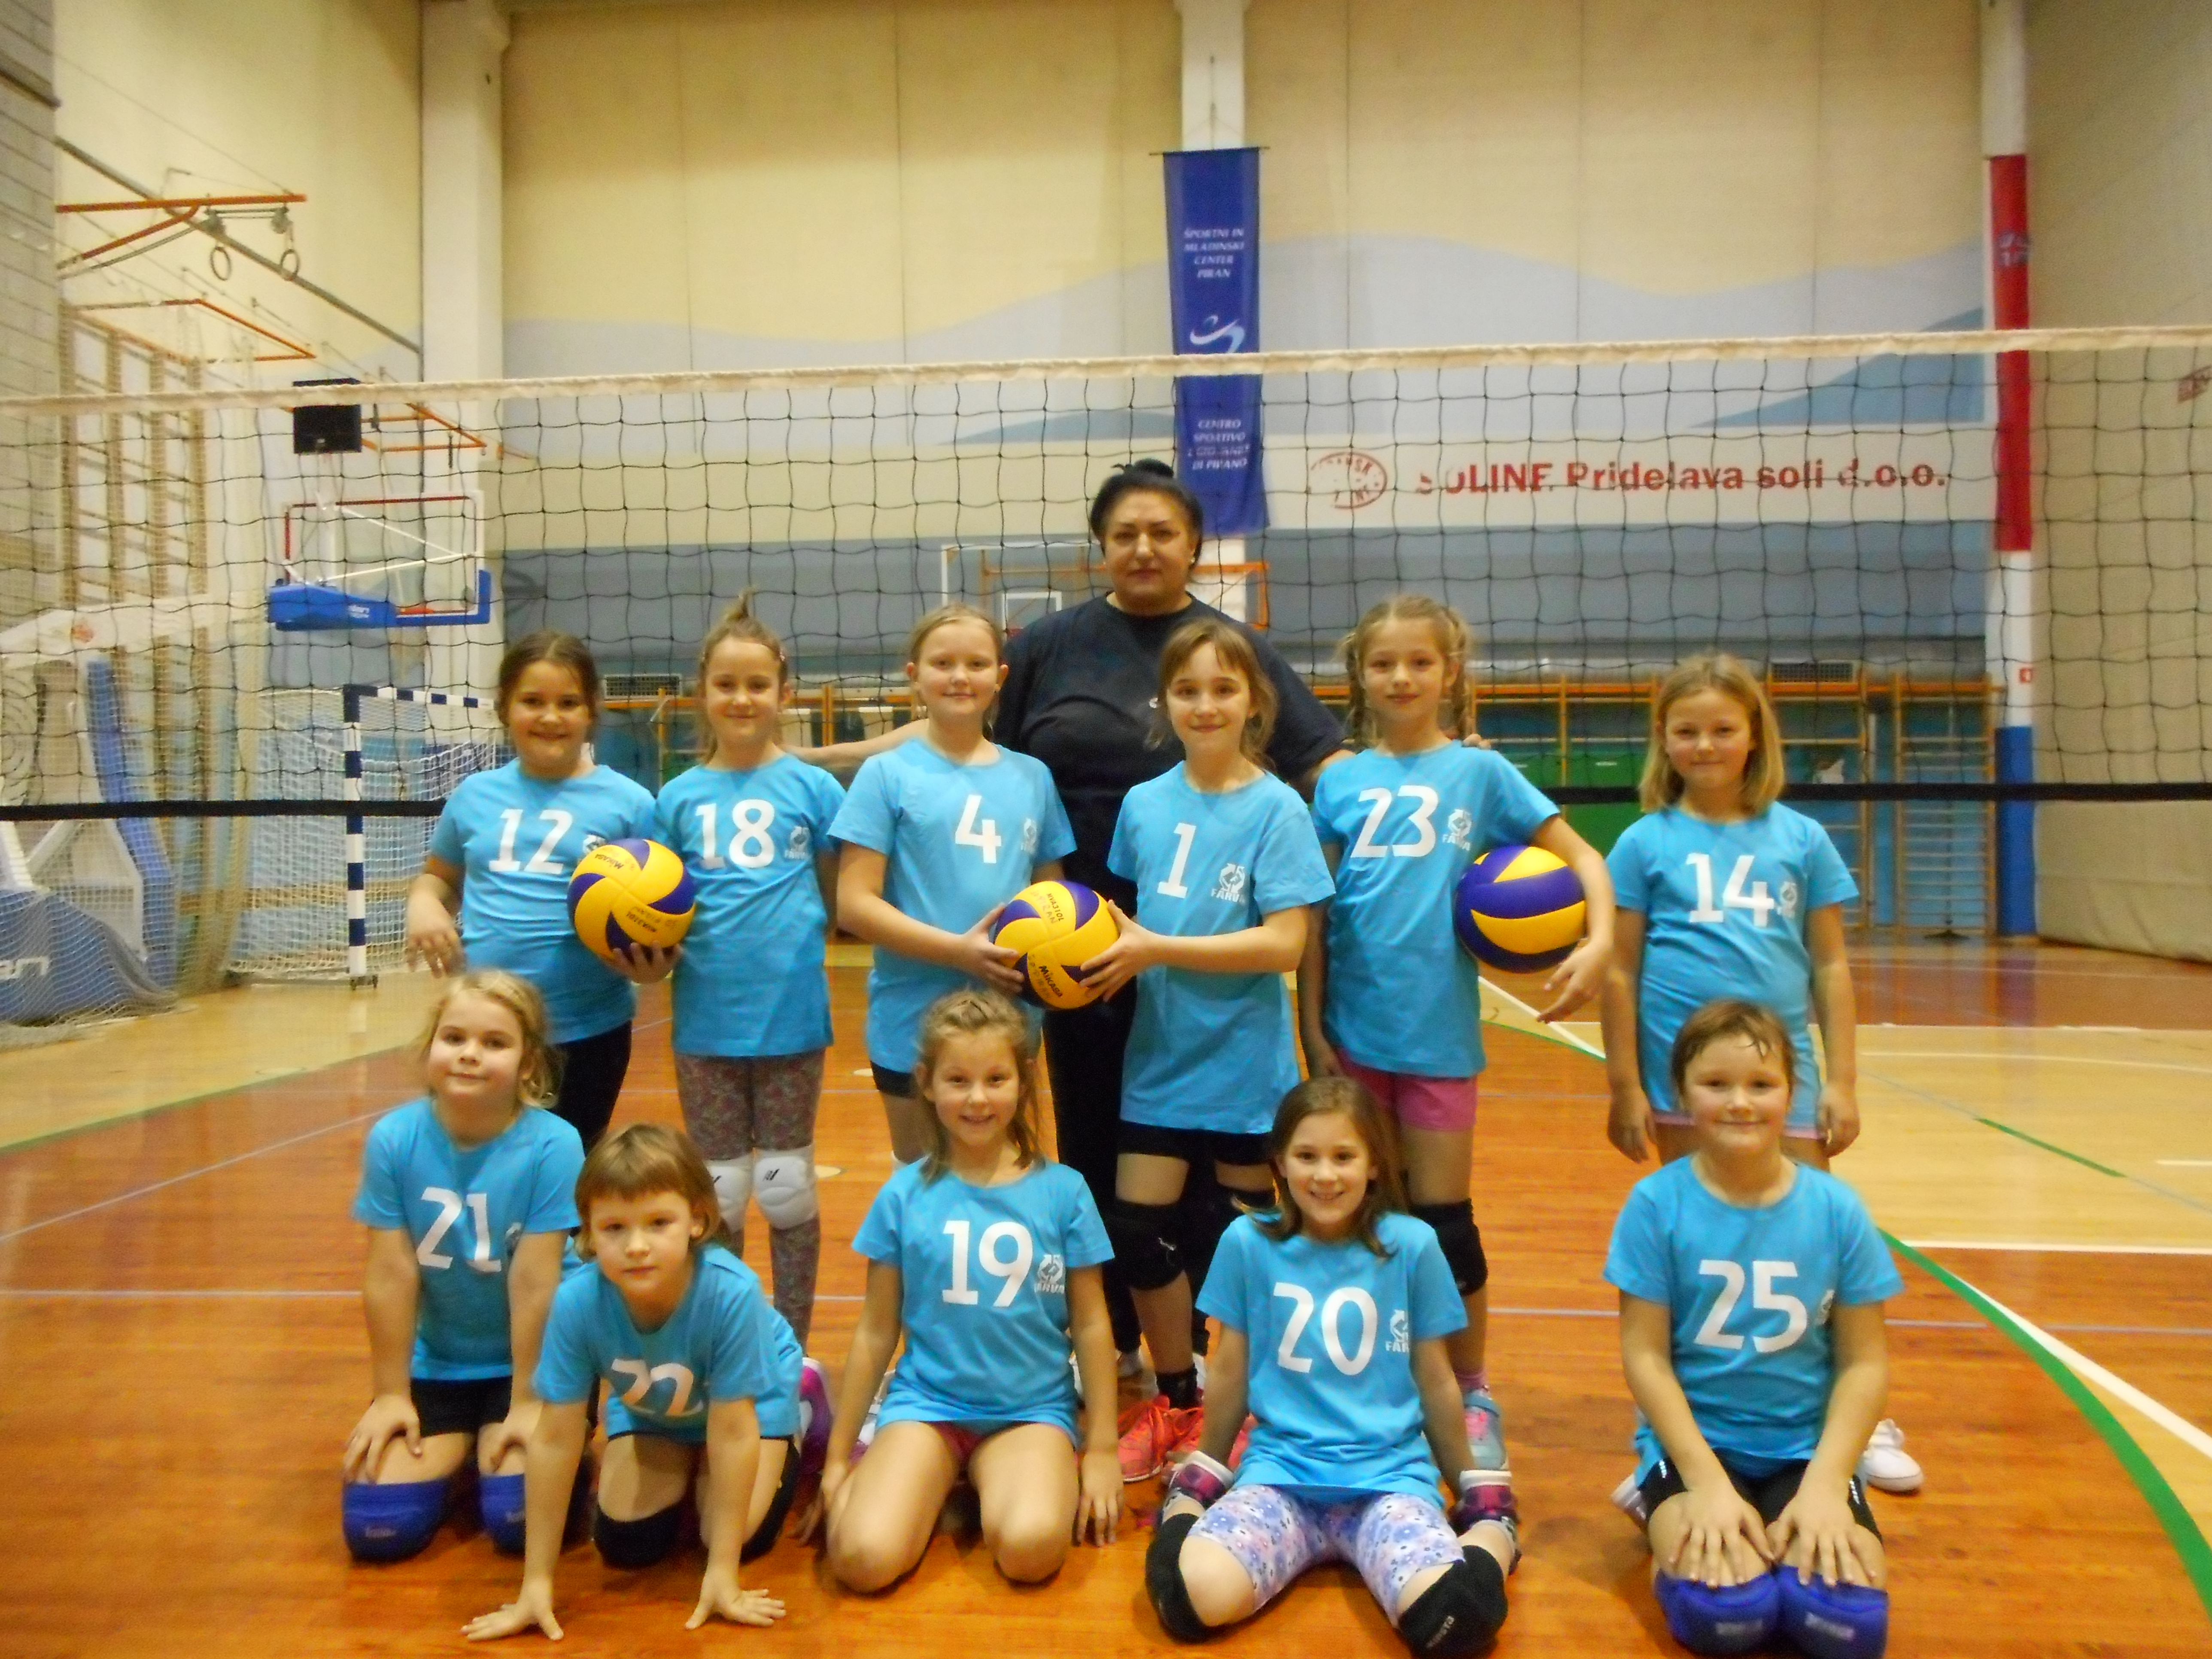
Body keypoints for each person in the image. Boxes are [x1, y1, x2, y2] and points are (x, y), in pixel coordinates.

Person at [1300, 594, 1615, 1525]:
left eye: (1419, 662)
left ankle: (1470, 1388)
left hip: (1437, 1041)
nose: (1400, 677)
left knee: (1445, 1228)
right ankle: (1370, 1382)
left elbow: (1582, 858)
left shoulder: (1481, 774)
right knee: (1357, 1219)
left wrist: (1598, 940)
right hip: (1351, 1038)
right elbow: (1310, 917)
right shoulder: (1338, 783)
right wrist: (1309, 1028)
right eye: (1382, 663)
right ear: (1358, 677)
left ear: (1450, 673)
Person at [1597, 652, 1920, 1499]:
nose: (1704, 745)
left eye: (1721, 729)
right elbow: (1620, 971)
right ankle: (1671, 1439)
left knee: (1808, 1242)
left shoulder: (1799, 837)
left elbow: (1830, 964)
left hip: (1783, 1081)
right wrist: (1624, 1084)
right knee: (1693, 1244)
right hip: (1680, 1083)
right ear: (1662, 740)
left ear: (1753, 736)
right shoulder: (1643, 842)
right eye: (1686, 730)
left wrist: (1842, 1080)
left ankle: (1853, 1421)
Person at [1078, 619, 1337, 1478]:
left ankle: (1246, 1404)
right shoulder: (1145, 803)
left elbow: (1284, 943)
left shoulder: (1277, 808)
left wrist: (1156, 948)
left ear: (1253, 701)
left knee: (1243, 1241)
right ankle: (1178, 1396)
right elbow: (1129, 920)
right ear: (1165, 702)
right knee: (1137, 1231)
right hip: (1159, 1055)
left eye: (1223, 689)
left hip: (1244, 1064)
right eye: (1187, 689)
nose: (1205, 705)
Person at [1144, 1076, 1515, 1657]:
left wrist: (1470, 1489)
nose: (1325, 1175)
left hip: (1388, 1484)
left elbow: (1436, 1377)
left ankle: (1498, 1534)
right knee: (1187, 1602)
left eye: (1344, 1157)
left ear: (1374, 1163)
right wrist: (1207, 1468)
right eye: (1307, 1156)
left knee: (1452, 1621)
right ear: (1279, 1163)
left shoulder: (1412, 1245)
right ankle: (1184, 1511)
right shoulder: (1247, 1242)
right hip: (1282, 1481)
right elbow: (1232, 1366)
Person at [1604, 1000, 1899, 1659]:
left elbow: (1864, 1364)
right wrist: (1707, 1483)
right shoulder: (1655, 1206)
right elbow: (1645, 1357)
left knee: (1844, 1621)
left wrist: (1827, 1485)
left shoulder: (1838, 1210)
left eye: (1761, 1085)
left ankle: (1777, 1522)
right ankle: (1665, 1505)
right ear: (1683, 1093)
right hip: (1699, 1447)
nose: (1740, 1102)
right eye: (1717, 1084)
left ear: (1791, 1092)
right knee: (1727, 1614)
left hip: (1805, 1451)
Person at [464, 1124, 830, 1642]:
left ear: (696, 1220)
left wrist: (722, 1576)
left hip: (749, 1402)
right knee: (626, 1544)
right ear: (589, 1232)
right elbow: (556, 1437)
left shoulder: (731, 1293)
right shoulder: (577, 1302)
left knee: (733, 1536)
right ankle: (685, 1466)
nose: (637, 1246)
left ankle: (805, 1396)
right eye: (615, 1228)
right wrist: (536, 1584)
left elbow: (732, 1432)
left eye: (659, 1223)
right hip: (653, 1407)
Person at [817, 988, 1121, 1591]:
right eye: (958, 1080)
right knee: (861, 1561)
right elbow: (876, 1330)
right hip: (928, 1408)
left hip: (1029, 1412)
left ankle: (979, 1488)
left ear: (1023, 1081)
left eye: (995, 1079)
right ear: (926, 1084)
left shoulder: (1064, 1192)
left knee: (1031, 1551)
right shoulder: (903, 1195)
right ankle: (932, 1481)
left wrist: (1103, 1450)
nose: (977, 1098)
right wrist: (836, 1458)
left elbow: (1091, 1325)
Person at [340, 970, 583, 1564]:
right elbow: (391, 1273)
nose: (470, 1054)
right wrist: (390, 1395)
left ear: (528, 1064)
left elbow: (536, 1283)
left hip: (531, 1364)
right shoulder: (394, 1139)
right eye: (454, 1038)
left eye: (495, 1043)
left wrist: (528, 1400)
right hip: (442, 1361)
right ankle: (464, 1444)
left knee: (517, 1520)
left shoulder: (553, 1145)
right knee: (378, 1526)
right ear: (430, 1048)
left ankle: (537, 1440)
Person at [654, 594, 845, 1344]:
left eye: (757, 684)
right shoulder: (675, 798)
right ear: (701, 691)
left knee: (787, 1187)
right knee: (722, 1193)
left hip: (792, 1018)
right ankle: (727, 1338)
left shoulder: (814, 789)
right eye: (726, 684)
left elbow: (835, 896)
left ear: (784, 692)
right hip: (706, 1023)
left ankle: (791, 1344)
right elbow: (657, 907)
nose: (742, 698)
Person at [831, 604, 1076, 1166]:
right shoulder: (887, 774)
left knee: (1000, 1175)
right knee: (922, 1177)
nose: (960, 677)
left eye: (976, 664)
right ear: (914, 675)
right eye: (943, 663)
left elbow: (1054, 901)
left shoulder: (1032, 777)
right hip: (911, 1017)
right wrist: (959, 952)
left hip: (1008, 1021)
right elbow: (854, 904)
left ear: (1000, 676)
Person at [407, 632, 659, 1149]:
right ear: (505, 708)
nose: (550, 717)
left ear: (591, 711)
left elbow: (658, 912)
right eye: (533, 701)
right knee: (481, 1162)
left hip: (587, 1030)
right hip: (484, 1030)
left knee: (570, 1166)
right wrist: (424, 906)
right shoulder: (474, 796)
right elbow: (440, 879)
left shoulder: (631, 804)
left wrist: (653, 965)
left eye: (568, 703)